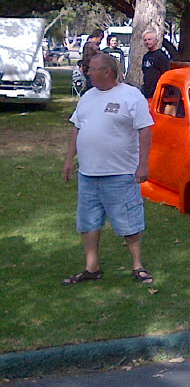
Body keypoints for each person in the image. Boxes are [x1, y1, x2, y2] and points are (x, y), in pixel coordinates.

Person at [61, 53, 156, 285]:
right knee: (89, 222)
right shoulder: (88, 96)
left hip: (121, 173)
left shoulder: (131, 96)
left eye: (92, 69)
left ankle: (138, 266)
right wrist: (69, 159)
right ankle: (92, 267)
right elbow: (77, 129)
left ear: (108, 72)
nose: (87, 72)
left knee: (129, 221)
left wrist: (143, 164)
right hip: (88, 174)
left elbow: (145, 130)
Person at [141, 29, 172, 98]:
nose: (147, 42)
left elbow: (166, 74)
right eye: (145, 40)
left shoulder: (161, 56)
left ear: (156, 40)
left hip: (158, 93)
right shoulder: (146, 56)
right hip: (147, 92)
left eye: (149, 39)